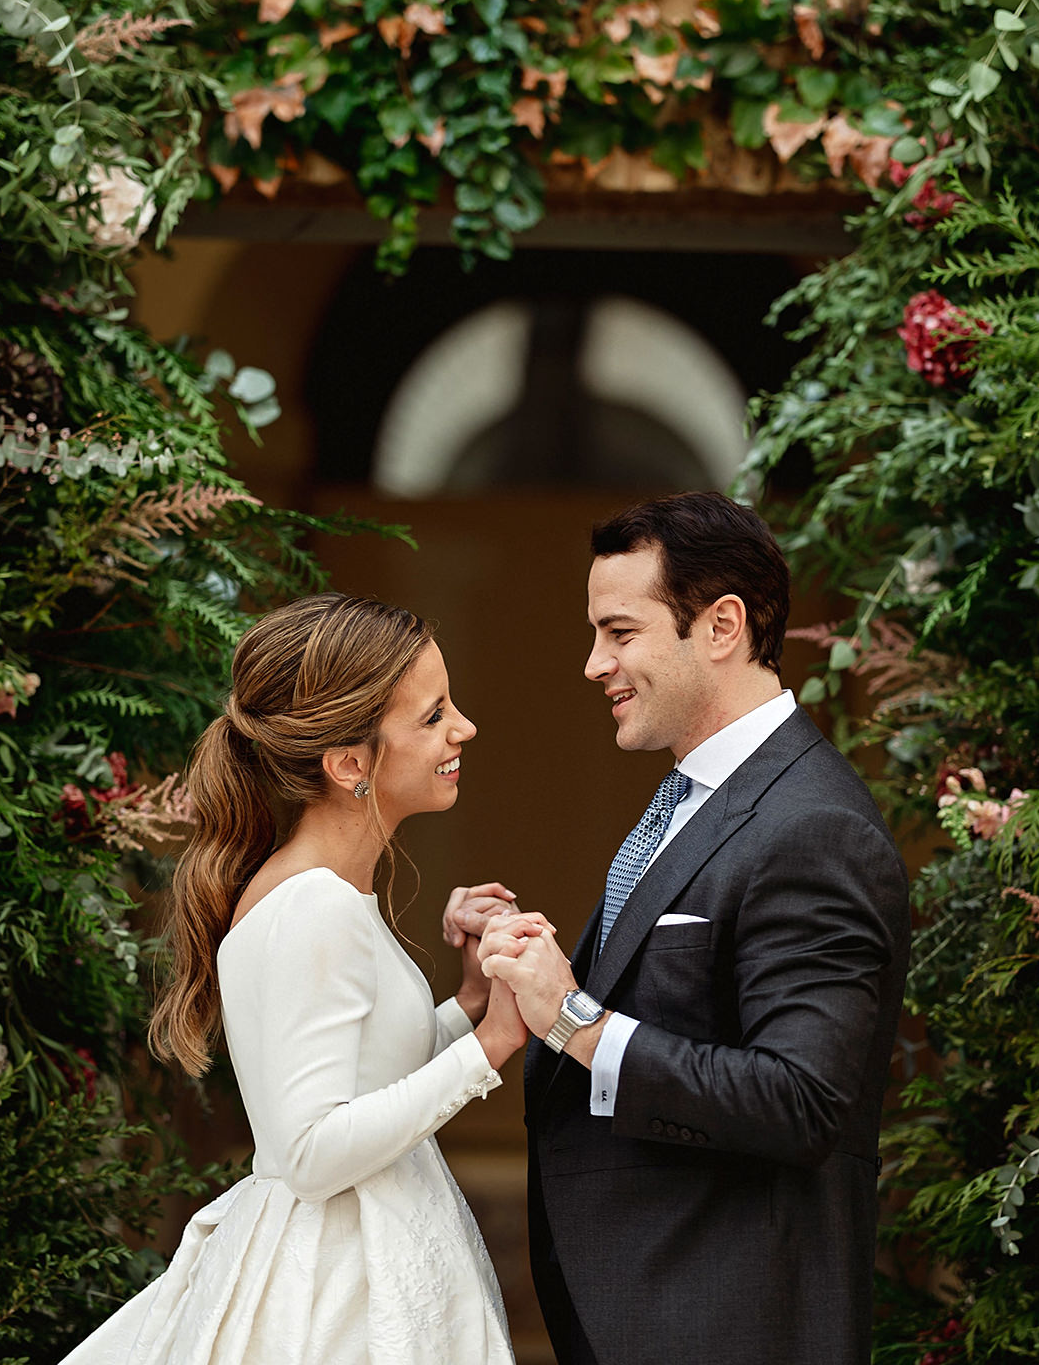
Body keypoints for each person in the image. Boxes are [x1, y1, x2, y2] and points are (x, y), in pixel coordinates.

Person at [450, 491, 911, 1365]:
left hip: (734, 1326)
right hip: (650, 1316)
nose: (593, 664)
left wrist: (573, 1018)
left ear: (722, 625)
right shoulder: (694, 801)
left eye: (619, 633)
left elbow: (800, 1100)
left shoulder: (814, 825)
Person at [63, 593, 534, 1365]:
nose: (464, 729)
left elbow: (366, 1079)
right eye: (433, 716)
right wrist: (490, 1047)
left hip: (372, 1253)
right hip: (339, 1296)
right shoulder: (313, 906)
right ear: (351, 763)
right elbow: (311, 1152)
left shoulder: (334, 895)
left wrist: (470, 1003)